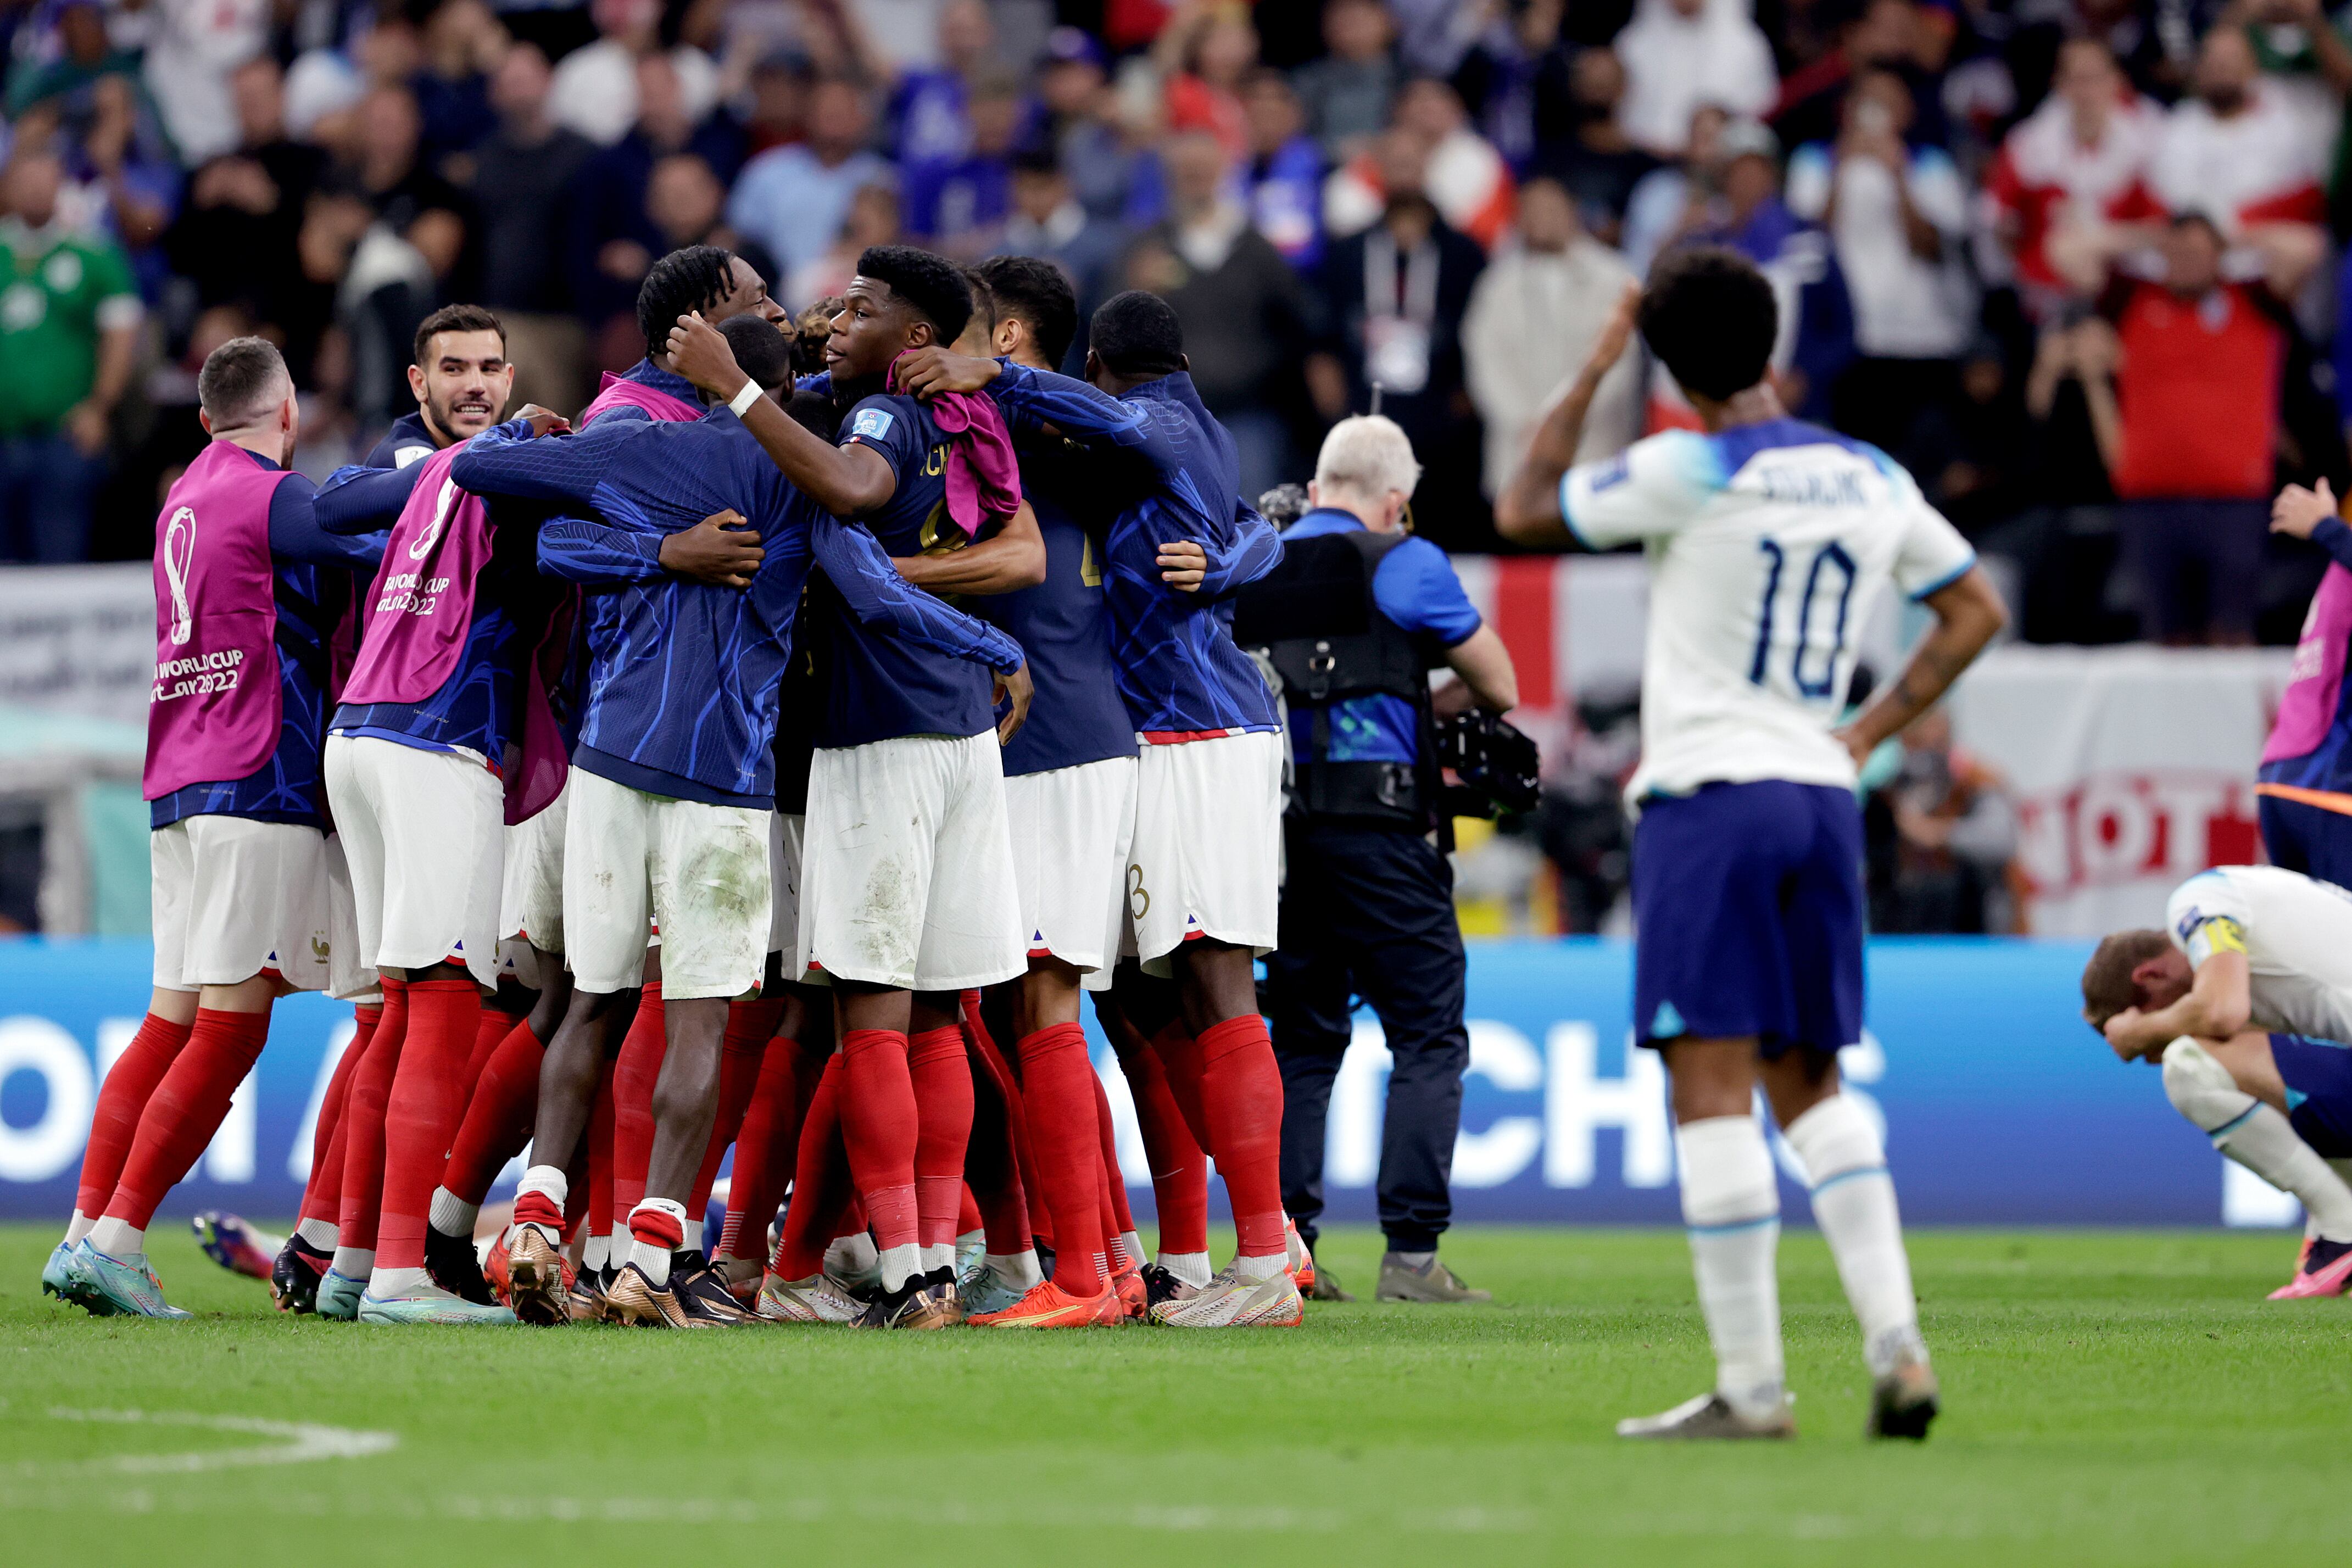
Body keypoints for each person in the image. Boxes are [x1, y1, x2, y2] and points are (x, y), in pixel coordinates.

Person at [1495, 248, 2007, 1440]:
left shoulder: (1687, 464)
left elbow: (1522, 507)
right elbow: (1974, 605)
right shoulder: (1869, 474)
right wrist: (1867, 730)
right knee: (1809, 1081)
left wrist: (1594, 362)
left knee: (1709, 1085)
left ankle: (1752, 1386)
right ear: (1772, 346)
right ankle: (1896, 1342)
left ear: (1672, 366)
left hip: (1710, 796)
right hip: (1820, 795)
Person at [457, 313, 1032, 1328]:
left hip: (608, 763)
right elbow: (876, 597)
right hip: (721, 779)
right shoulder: (794, 485)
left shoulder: (636, 446)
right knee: (700, 1016)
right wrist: (990, 644)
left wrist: (627, 526)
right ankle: (646, 1255)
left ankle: (538, 1223)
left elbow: (496, 493)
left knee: (590, 1000)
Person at [891, 288, 1295, 1328]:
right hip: (1155, 732)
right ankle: (1198, 1256)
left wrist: (1001, 377)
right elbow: (1258, 530)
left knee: (1209, 981)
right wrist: (1234, 558)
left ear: (1100, 363)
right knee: (1147, 1003)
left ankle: (1262, 1256)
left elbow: (1135, 437)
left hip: (1193, 729)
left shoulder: (1150, 417)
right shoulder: (1163, 440)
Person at [665, 245, 1037, 1330]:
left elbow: (854, 487)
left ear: (911, 340)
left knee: (868, 1012)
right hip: (960, 728)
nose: (842, 320)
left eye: (865, 309)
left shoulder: (879, 420)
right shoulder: (945, 410)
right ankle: (933, 1261)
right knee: (934, 1012)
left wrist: (731, 386)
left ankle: (915, 1273)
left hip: (879, 734)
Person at [43, 336, 397, 1318]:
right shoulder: (274, 493)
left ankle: (81, 1232)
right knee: (230, 1031)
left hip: (175, 786)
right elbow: (364, 534)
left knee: (171, 1021)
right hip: (257, 777)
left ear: (205, 418)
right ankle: (116, 1241)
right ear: (288, 417)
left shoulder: (180, 499)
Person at [1239, 414, 1518, 1304]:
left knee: (1304, 1039)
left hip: (1282, 835)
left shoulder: (1263, 556)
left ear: (1316, 489)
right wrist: (1412, 699)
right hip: (1385, 830)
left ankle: (1288, 1248)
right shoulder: (1408, 562)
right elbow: (1499, 685)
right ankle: (1410, 1257)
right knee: (1427, 1036)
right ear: (1395, 502)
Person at [2082, 864, 2352, 1298]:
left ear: (2149, 977)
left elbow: (2221, 1009)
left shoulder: (2198, 902)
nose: (2159, 1048)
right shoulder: (2261, 928)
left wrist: (2142, 1032)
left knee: (2188, 1065)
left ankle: (2343, 1234)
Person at [0, 147, 141, 563]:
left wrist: (99, 407)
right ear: (8, 187)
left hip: (65, 435)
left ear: (60, 185)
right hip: (4, 436)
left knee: (58, 559)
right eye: (25, 180)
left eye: (45, 179)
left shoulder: (91, 253)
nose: (35, 190)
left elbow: (121, 332)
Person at [1462, 171, 1641, 498]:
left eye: (1550, 209)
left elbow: (1621, 362)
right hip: (1518, 448)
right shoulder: (1497, 283)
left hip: (1594, 447)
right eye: (1531, 211)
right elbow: (1485, 358)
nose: (1540, 219)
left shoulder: (1614, 276)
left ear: (1572, 211)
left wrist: (1569, 418)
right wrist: (1525, 421)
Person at [2258, 480, 2352, 883]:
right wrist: (2326, 525)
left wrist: (2327, 526)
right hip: (2328, 782)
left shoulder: (2341, 560)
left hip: (2282, 778)